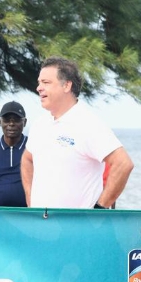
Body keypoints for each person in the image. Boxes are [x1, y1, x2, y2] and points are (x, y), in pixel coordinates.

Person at [21, 56, 134, 209]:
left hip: (77, 227)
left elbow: (123, 164)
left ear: (67, 86)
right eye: (39, 82)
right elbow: (27, 160)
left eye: (46, 83)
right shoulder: (40, 124)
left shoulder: (88, 123)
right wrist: (30, 198)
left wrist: (99, 210)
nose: (39, 88)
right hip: (42, 224)